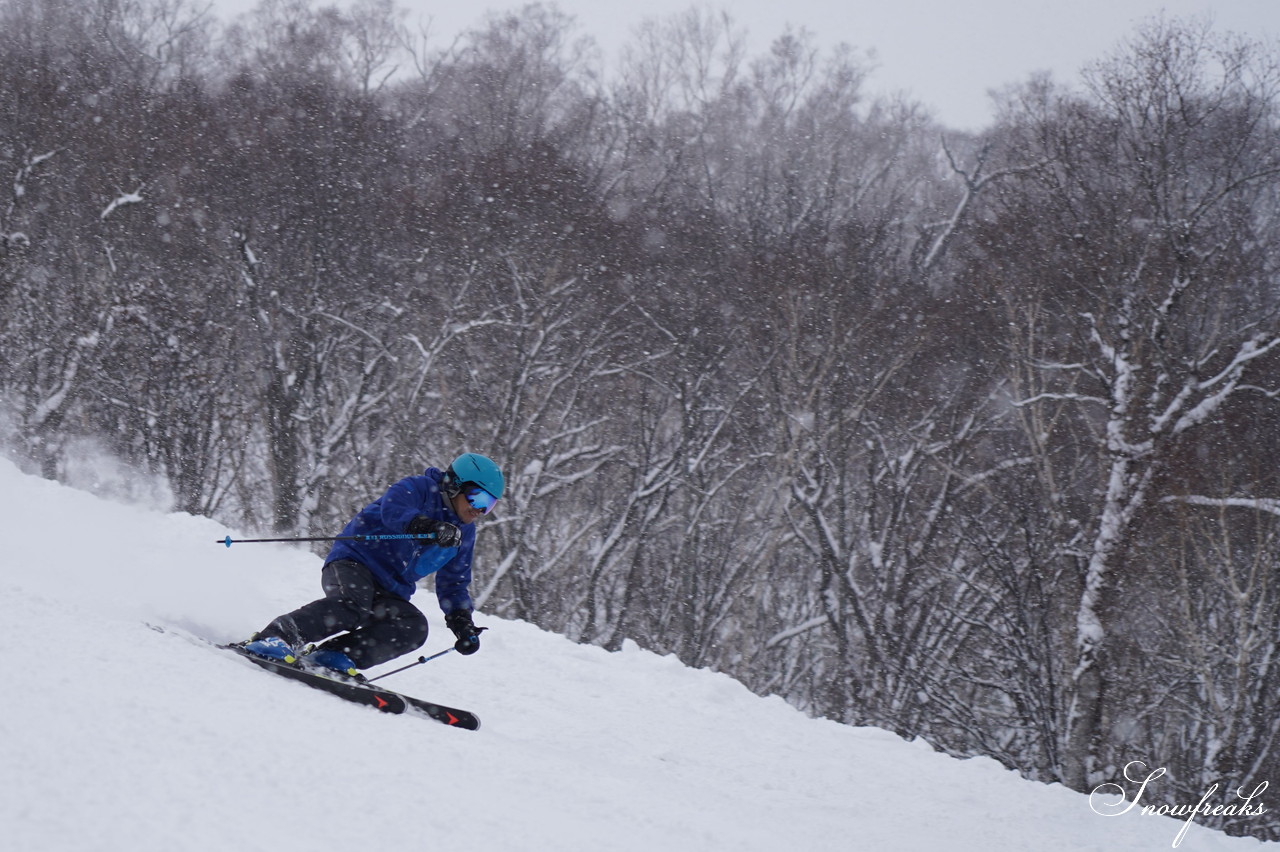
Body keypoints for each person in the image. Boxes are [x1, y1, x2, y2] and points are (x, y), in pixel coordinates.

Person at [242, 452, 505, 677]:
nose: (479, 511)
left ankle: (333, 656)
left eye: (489, 505)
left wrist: (461, 621)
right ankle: (275, 637)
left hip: (390, 590)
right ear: (454, 485)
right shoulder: (420, 489)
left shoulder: (464, 535)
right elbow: (393, 509)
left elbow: (454, 582)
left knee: (413, 627)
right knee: (353, 605)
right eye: (477, 498)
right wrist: (426, 526)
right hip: (353, 563)